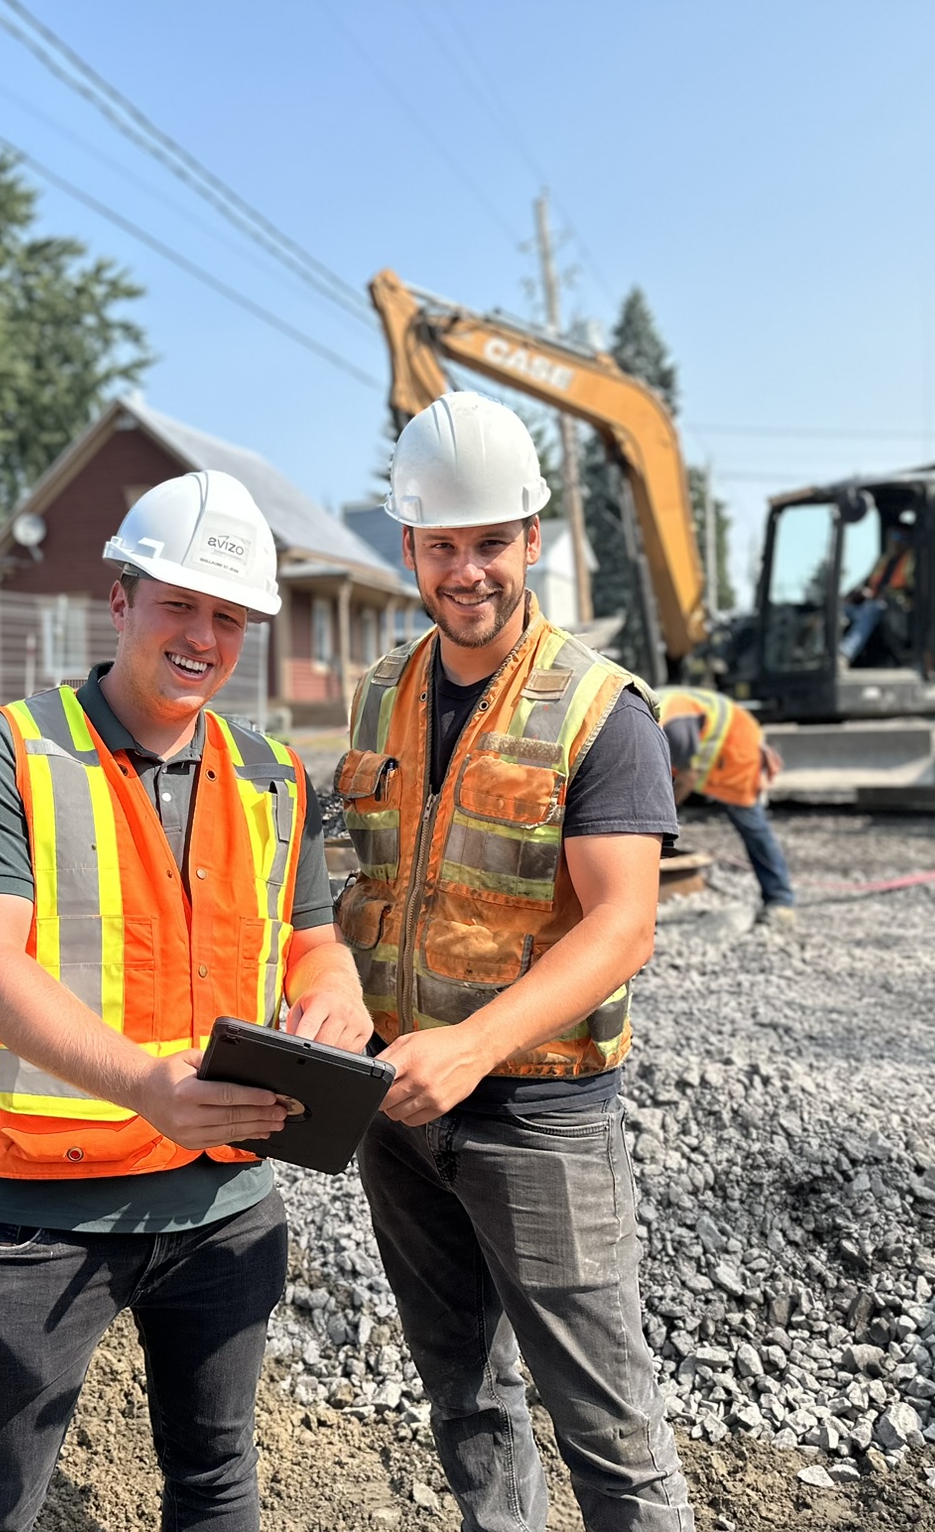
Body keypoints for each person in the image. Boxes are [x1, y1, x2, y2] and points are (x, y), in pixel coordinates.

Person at [0, 469, 371, 1532]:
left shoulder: (270, 772)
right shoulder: (10, 753)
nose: (203, 638)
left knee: (216, 1481)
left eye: (228, 617)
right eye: (178, 604)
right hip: (42, 1211)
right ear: (119, 600)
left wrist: (338, 995)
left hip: (221, 1203)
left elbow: (312, 938)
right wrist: (141, 1085)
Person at [336, 391, 697, 1532]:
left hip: (538, 1112)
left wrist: (473, 1045)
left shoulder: (601, 712)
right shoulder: (379, 693)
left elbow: (620, 925)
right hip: (398, 1103)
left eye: (488, 542)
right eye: (441, 546)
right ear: (408, 549)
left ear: (531, 540)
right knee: (464, 1396)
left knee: (607, 1420)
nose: (466, 570)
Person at [656, 687, 796, 925]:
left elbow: (686, 778)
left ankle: (780, 900)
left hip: (736, 750)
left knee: (751, 824)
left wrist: (662, 823)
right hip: (708, 751)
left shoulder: (671, 727)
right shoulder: (650, 719)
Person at [838, 523, 915, 665]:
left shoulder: (913, 560)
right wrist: (851, 597)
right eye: (894, 537)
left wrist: (885, 595)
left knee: (871, 609)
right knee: (842, 610)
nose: (895, 541)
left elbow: (912, 587)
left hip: (897, 608)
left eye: (900, 537)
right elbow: (867, 582)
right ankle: (821, 654)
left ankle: (845, 653)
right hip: (873, 603)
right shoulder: (885, 560)